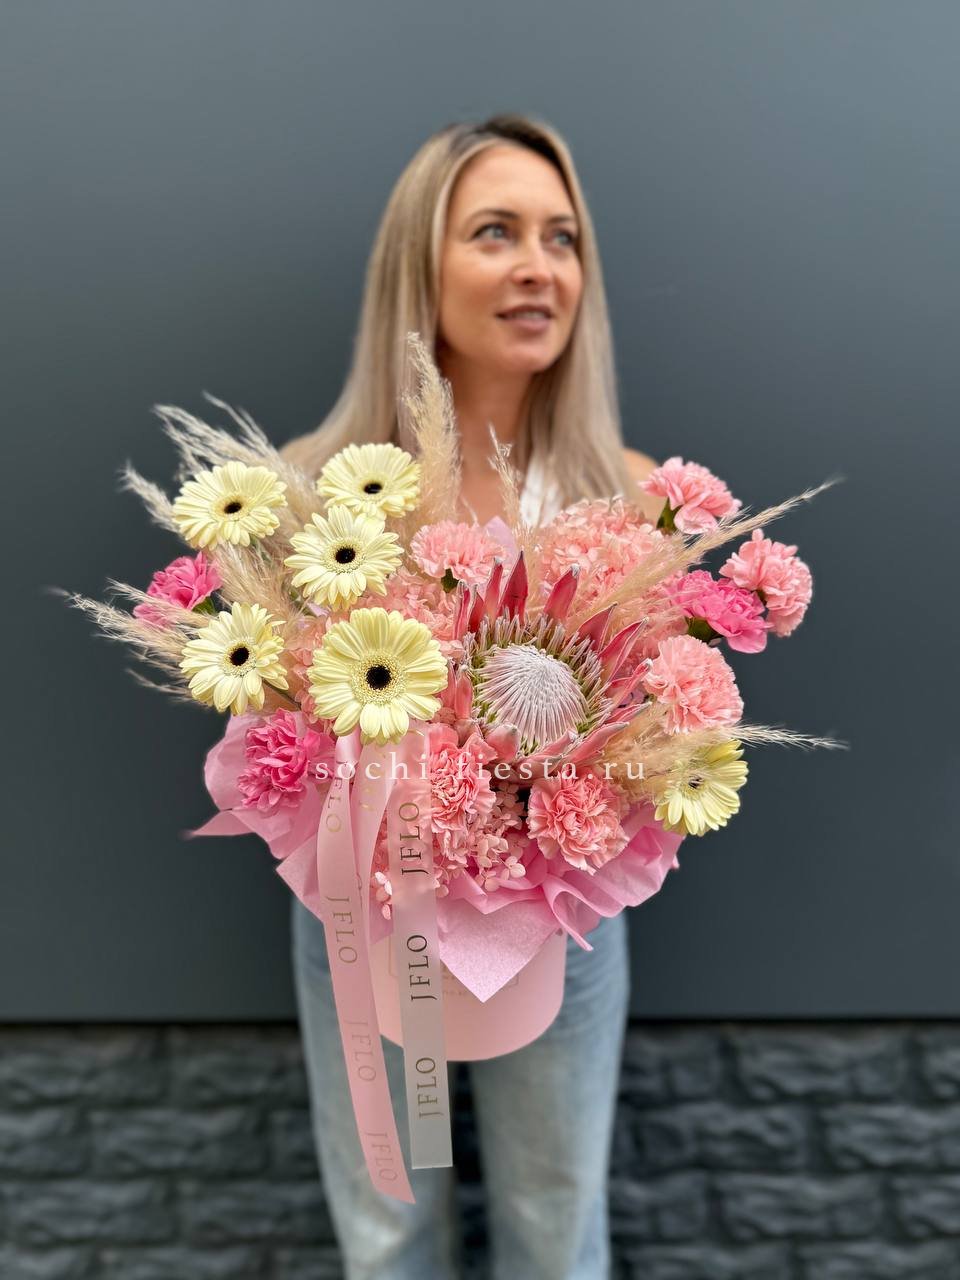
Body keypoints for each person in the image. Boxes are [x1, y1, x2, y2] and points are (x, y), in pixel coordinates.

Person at [279, 113, 663, 1280]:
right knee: (388, 1229)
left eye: (562, 237)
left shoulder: (634, 501)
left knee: (557, 1228)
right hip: (366, 912)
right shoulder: (318, 497)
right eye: (496, 232)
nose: (538, 266)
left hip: (562, 918)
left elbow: (666, 744)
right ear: (421, 266)